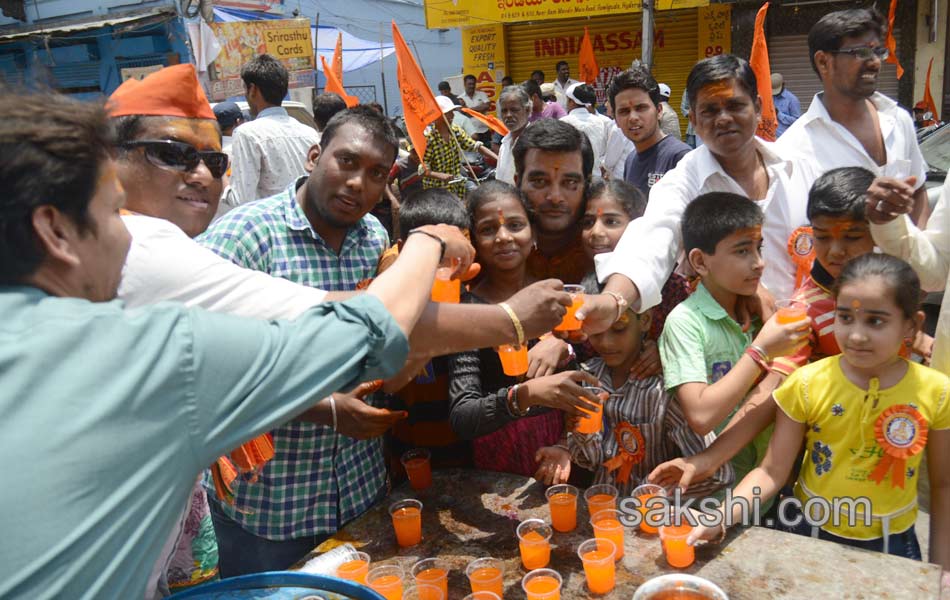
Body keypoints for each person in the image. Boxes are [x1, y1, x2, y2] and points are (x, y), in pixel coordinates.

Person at [0, 86, 474, 598]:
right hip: (270, 511)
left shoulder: (373, 240)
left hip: (357, 487)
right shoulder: (227, 244)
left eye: (214, 161)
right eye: (116, 215)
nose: (359, 184)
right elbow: (362, 329)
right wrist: (444, 260)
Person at [685, 254, 950, 572]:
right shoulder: (808, 383)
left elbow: (943, 485)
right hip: (809, 532)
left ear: (913, 324)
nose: (856, 335)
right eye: (845, 318)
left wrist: (941, 572)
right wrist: (721, 516)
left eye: (875, 321)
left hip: (892, 542)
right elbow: (771, 471)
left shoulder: (936, 393)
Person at [586, 54, 816, 333]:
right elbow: (651, 239)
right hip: (728, 346)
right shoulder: (684, 182)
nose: (723, 119)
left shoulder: (800, 167)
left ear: (757, 107)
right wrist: (614, 300)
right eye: (709, 110)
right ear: (693, 119)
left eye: (734, 105)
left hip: (811, 339)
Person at [448, 181, 602, 476]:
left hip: (571, 450)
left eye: (515, 225)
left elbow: (599, 364)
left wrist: (564, 344)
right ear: (475, 241)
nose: (504, 237)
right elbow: (462, 417)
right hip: (499, 464)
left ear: (533, 233)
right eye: (489, 229)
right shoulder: (467, 310)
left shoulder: (560, 291)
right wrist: (525, 394)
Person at [534, 274, 734, 498]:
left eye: (619, 329)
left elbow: (718, 473)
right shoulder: (588, 377)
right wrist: (579, 434)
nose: (606, 342)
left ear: (646, 321)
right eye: (595, 332)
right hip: (605, 508)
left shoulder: (667, 390)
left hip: (656, 517)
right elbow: (590, 460)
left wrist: (657, 496)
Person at [659, 193, 808, 484]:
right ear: (700, 262)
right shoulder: (685, 322)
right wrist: (761, 351)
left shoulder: (761, 314)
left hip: (771, 480)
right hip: (714, 490)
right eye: (742, 252)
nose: (759, 263)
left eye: (758, 249)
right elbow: (701, 416)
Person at [771, 167, 930, 377]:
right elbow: (779, 381)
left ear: (877, 234)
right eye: (822, 237)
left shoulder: (893, 284)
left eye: (852, 237)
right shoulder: (805, 312)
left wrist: (927, 346)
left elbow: (910, 339)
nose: (836, 251)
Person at [776, 8, 929, 224]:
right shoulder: (793, 151)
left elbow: (918, 190)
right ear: (823, 62)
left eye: (878, 52)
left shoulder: (898, 120)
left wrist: (919, 253)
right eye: (861, 52)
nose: (875, 62)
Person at [228, 54, 320, 206]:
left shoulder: (247, 134)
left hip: (271, 225)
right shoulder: (309, 133)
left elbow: (241, 200)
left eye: (245, 88)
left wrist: (221, 181)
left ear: (252, 89)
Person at [514, 117, 595, 285]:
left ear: (587, 185)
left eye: (570, 182)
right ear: (517, 182)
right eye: (539, 182)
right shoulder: (488, 240)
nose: (555, 197)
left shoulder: (610, 245)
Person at [608, 68, 691, 196]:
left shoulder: (680, 158)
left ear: (659, 111)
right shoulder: (631, 160)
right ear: (616, 119)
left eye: (641, 108)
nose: (633, 117)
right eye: (624, 111)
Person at [422, 96, 497, 199]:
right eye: (448, 113)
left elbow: (475, 146)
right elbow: (423, 170)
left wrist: (499, 159)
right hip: (437, 191)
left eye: (452, 112)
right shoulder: (429, 139)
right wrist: (441, 176)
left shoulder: (455, 131)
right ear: (438, 116)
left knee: (477, 195)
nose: (452, 115)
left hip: (456, 184)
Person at [560, 82, 613, 182]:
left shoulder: (563, 122)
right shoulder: (600, 121)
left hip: (571, 180)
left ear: (572, 102)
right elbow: (603, 151)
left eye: (568, 100)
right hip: (596, 179)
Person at [495, 85, 532, 185]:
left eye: (514, 110)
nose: (508, 115)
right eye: (504, 111)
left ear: (527, 110)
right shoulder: (505, 143)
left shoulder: (534, 143)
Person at [459, 73, 492, 144]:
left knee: (488, 153)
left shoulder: (482, 94)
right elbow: (463, 114)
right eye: (469, 84)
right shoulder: (460, 98)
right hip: (470, 133)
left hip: (484, 131)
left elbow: (487, 106)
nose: (472, 86)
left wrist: (468, 110)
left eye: (473, 84)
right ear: (464, 84)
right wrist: (480, 109)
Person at [770, 73, 801, 137]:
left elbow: (797, 122)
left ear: (783, 84)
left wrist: (779, 114)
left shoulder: (792, 100)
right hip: (771, 138)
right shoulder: (770, 97)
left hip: (785, 139)